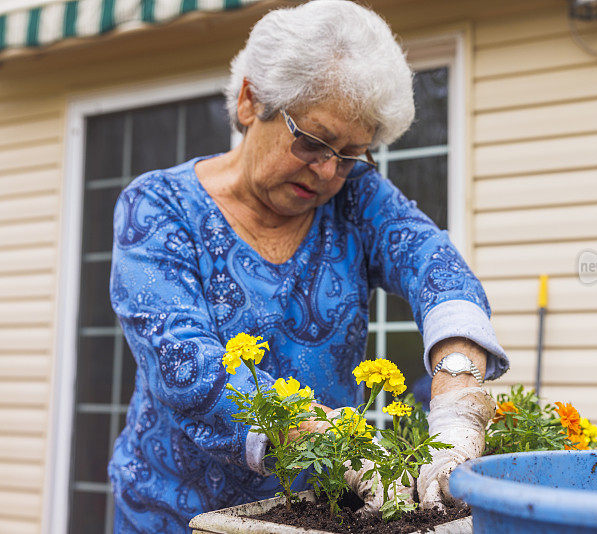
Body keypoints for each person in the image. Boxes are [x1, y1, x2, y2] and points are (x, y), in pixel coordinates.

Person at [107, 0, 508, 531]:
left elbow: (434, 264)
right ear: (252, 101)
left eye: (350, 154)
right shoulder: (159, 208)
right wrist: (331, 443)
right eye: (313, 141)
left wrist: (457, 397)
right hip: (172, 512)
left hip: (317, 514)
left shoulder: (355, 199)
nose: (326, 171)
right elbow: (185, 366)